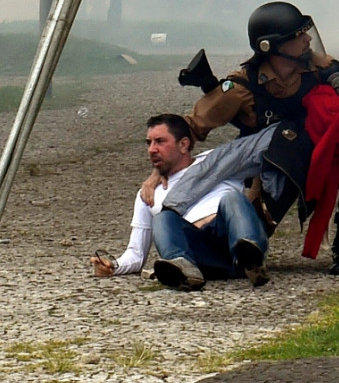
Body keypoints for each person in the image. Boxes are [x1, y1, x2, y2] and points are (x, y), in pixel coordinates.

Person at [146, 1, 339, 275]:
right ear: (271, 46)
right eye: (298, 36)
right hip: (273, 167)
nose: (308, 39)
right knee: (247, 238)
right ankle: (213, 256)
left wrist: (319, 145)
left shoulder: (327, 71)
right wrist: (158, 173)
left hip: (324, 160)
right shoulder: (241, 86)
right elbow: (189, 129)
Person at [90, 113, 270, 291]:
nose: (152, 149)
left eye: (160, 141)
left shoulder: (215, 161)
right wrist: (113, 266)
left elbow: (265, 144)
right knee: (162, 218)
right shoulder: (148, 194)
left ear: (184, 144)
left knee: (232, 199)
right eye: (149, 143)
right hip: (198, 253)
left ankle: (251, 259)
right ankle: (182, 269)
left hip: (230, 235)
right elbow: (136, 254)